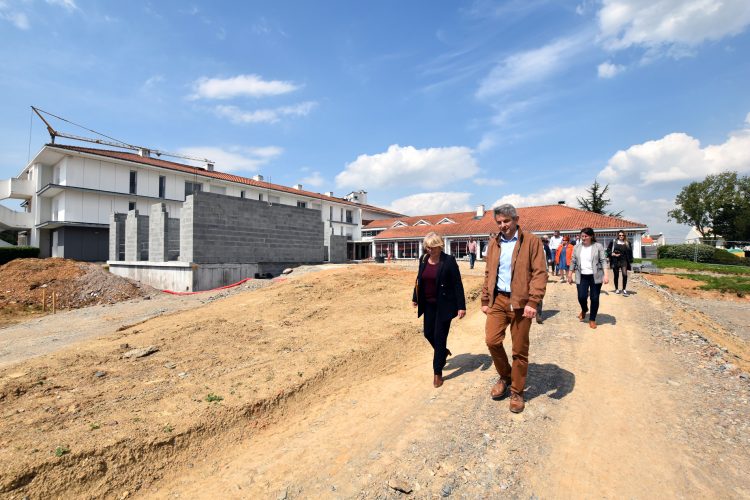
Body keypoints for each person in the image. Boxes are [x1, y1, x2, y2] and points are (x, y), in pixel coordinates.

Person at [481, 204, 547, 413]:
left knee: (519, 350)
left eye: (506, 221)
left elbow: (540, 273)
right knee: (492, 341)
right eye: (499, 222)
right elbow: (488, 272)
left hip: (521, 302)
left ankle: (517, 391)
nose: (503, 226)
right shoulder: (494, 243)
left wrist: (533, 301)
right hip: (499, 300)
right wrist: (485, 299)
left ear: (516, 219)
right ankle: (506, 375)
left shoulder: (531, 242)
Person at [412, 232, 466, 388]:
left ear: (439, 246)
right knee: (428, 333)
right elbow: (419, 279)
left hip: (444, 305)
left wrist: (461, 306)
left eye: (432, 247)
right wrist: (415, 297)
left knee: (439, 337)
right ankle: (442, 352)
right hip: (428, 304)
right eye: (427, 247)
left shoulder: (448, 261)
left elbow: (457, 284)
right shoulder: (423, 259)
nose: (429, 250)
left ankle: (437, 373)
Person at [568, 228, 609, 329]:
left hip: (595, 276)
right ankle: (584, 309)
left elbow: (603, 260)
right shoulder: (577, 247)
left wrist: (606, 275)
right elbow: (573, 261)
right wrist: (569, 274)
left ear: (591, 236)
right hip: (581, 275)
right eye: (582, 236)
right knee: (581, 297)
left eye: (586, 236)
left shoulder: (598, 246)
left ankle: (592, 319)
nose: (584, 238)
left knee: (594, 298)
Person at [607, 231, 634, 296]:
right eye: (620, 235)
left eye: (622, 235)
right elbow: (608, 250)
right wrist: (612, 254)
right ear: (618, 235)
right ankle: (616, 289)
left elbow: (630, 252)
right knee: (616, 276)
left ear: (624, 236)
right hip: (615, 260)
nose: (621, 236)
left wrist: (630, 260)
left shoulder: (627, 243)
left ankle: (624, 289)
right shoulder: (613, 242)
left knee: (625, 275)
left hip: (624, 260)